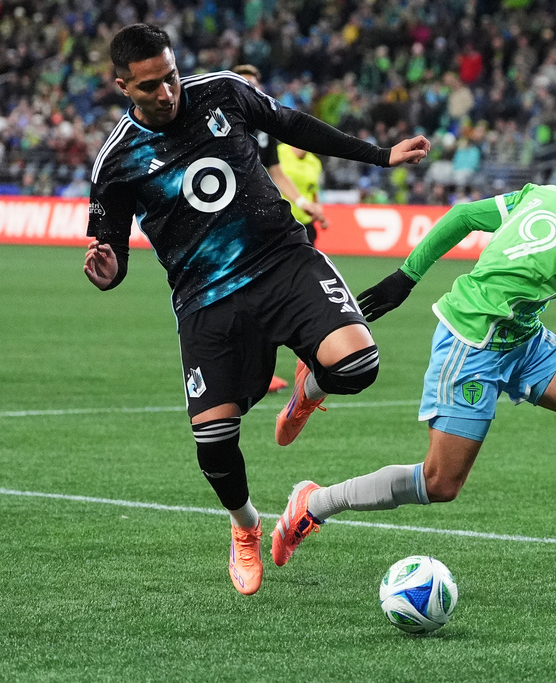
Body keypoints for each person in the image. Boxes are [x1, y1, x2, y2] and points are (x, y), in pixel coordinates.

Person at [83, 24, 430, 597]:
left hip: (281, 260)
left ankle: (304, 394)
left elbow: (290, 125)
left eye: (169, 76)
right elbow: (110, 255)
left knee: (358, 366)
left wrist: (377, 155)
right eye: (149, 87)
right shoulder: (115, 162)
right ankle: (246, 527)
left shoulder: (222, 92)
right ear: (122, 86)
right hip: (206, 300)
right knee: (215, 444)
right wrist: (105, 271)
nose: (166, 92)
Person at [270, 159, 556, 593]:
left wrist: (405, 277)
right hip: (472, 342)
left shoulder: (552, 193)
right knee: (440, 483)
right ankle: (313, 502)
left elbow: (462, 216)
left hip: (522, 337)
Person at [231, 64, 326, 392]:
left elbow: (276, 173)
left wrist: (304, 203)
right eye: (244, 84)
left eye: (255, 85)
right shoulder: (211, 126)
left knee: (279, 292)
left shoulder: (264, 130)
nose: (251, 90)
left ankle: (284, 363)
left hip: (273, 223)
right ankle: (249, 367)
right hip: (232, 225)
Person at [277, 142, 327, 245]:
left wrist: (319, 213)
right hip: (280, 222)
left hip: (304, 224)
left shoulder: (315, 162)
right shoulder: (278, 152)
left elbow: (313, 191)